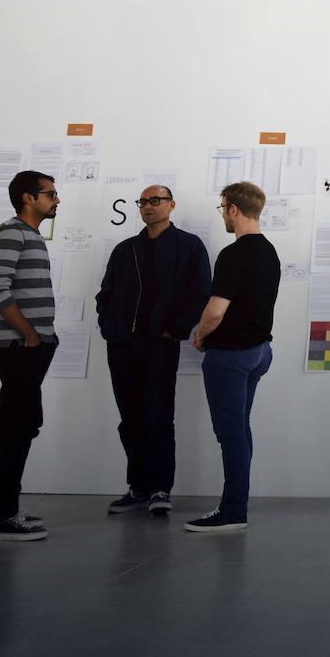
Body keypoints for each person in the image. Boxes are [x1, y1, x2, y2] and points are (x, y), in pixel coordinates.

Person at [97, 185, 211, 517]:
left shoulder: (189, 246)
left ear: (171, 205)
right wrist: (110, 326)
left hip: (160, 345)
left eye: (155, 201)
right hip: (122, 345)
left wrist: (172, 329)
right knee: (130, 419)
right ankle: (139, 487)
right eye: (143, 202)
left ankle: (160, 488)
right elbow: (105, 293)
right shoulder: (126, 249)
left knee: (158, 417)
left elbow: (200, 293)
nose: (148, 206)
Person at [185, 182, 281, 533]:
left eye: (223, 207)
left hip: (231, 355)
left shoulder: (234, 253)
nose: (223, 214)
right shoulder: (269, 251)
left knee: (230, 434)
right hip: (259, 352)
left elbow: (215, 311)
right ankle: (236, 505)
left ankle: (233, 510)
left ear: (233, 209)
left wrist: (200, 335)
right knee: (240, 428)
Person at [0, 171, 59, 541]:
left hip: (28, 345)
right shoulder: (12, 231)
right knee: (21, 424)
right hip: (17, 346)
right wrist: (29, 335)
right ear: (28, 197)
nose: (56, 200)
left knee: (11, 423)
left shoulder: (31, 234)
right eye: (50, 194)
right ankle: (1, 516)